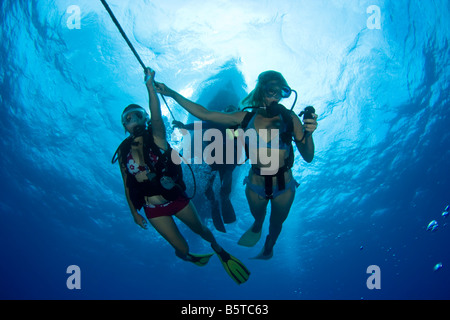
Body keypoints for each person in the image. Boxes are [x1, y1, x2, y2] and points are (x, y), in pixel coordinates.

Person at [156, 71, 318, 259]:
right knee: (259, 217)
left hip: (285, 185)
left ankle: (269, 246)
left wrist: (309, 133)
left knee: (276, 223)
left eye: (282, 92)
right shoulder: (244, 118)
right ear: (260, 91)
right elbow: (205, 114)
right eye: (271, 90)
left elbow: (308, 157)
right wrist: (172, 93)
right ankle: (257, 225)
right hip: (255, 185)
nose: (276, 97)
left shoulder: (290, 118)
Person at [112, 68, 250, 284]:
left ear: (145, 118)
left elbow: (157, 116)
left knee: (203, 229)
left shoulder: (157, 137)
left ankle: (219, 249)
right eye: (128, 118)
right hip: (152, 209)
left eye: (138, 115)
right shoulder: (122, 152)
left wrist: (151, 87)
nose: (134, 120)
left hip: (176, 198)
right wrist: (133, 213)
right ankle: (185, 251)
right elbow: (126, 184)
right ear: (124, 126)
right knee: (182, 249)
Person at [172, 105, 239, 233]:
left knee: (226, 175)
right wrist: (184, 126)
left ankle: (223, 197)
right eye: (228, 110)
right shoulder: (216, 121)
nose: (230, 113)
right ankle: (214, 200)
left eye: (233, 111)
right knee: (211, 180)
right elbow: (201, 125)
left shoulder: (237, 126)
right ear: (224, 112)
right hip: (215, 157)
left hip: (227, 158)